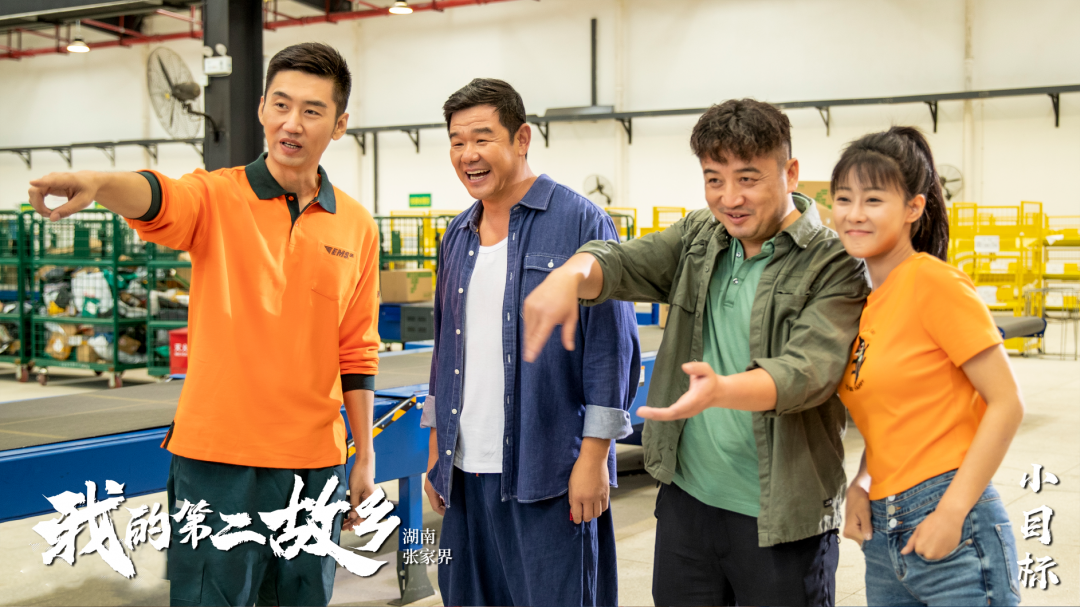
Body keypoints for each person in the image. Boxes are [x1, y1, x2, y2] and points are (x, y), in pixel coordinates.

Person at [27, 43, 380, 607]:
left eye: (312, 111)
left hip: (314, 464)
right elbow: (160, 199)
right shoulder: (217, 196)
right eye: (281, 104)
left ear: (339, 125)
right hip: (218, 461)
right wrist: (100, 183)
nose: (292, 123)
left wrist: (364, 454)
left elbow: (357, 348)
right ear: (261, 108)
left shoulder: (358, 227)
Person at [523, 98, 871, 607]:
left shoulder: (834, 262)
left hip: (780, 516)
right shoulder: (700, 237)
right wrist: (570, 274)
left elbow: (807, 372)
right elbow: (621, 263)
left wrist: (722, 390)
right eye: (714, 179)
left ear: (790, 172)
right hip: (687, 504)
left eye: (748, 179)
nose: (730, 198)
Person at [419, 78, 640, 606]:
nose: (468, 154)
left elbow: (611, 350)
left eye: (482, 138)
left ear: (521, 138)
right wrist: (436, 453)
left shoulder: (580, 221)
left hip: (549, 472)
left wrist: (595, 459)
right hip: (464, 472)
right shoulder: (457, 235)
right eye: (456, 141)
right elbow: (446, 351)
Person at [830, 126, 1025, 606]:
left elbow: (1007, 403)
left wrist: (952, 513)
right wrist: (861, 483)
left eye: (874, 200)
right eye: (844, 198)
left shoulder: (934, 283)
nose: (854, 214)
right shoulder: (867, 306)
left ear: (913, 208)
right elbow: (893, 420)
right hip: (884, 532)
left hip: (951, 522)